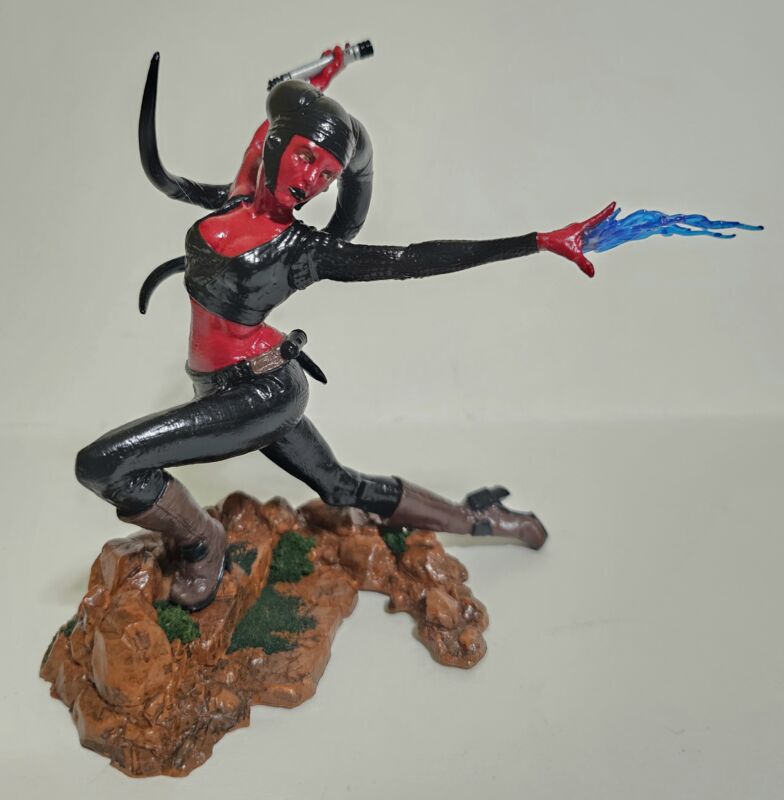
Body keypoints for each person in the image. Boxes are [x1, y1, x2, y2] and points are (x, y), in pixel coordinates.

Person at [76, 48, 615, 611]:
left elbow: (411, 258)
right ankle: (480, 517)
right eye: (306, 158)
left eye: (329, 176)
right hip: (226, 383)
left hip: (260, 391)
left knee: (103, 464)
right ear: (277, 146)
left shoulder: (304, 250)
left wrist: (536, 241)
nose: (312, 181)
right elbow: (270, 121)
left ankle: (201, 542)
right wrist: (323, 78)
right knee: (338, 486)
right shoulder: (237, 197)